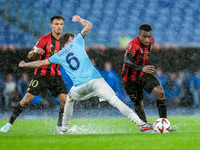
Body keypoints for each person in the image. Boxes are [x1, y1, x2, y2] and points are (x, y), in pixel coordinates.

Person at [18, 15, 153, 134]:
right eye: (73, 37)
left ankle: (64, 130)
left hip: (80, 86)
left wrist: (25, 65)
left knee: (69, 100)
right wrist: (80, 20)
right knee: (116, 102)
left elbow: (40, 63)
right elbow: (89, 25)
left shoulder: (58, 55)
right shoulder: (77, 42)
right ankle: (141, 124)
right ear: (69, 40)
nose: (76, 37)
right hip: (96, 81)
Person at [0, 15, 68, 133]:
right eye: (56, 24)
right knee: (26, 100)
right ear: (51, 25)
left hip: (56, 75)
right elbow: (29, 55)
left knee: (65, 101)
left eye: (61, 24)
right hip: (41, 75)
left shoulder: (63, 41)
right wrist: (35, 51)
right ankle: (8, 124)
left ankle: (59, 127)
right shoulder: (43, 39)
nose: (59, 26)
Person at [121, 24, 178, 131]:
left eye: (149, 37)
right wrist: (141, 68)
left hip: (142, 74)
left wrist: (143, 69)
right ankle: (144, 124)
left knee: (160, 92)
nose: (147, 39)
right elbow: (127, 60)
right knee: (138, 103)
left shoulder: (152, 42)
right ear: (139, 35)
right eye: (144, 37)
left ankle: (163, 124)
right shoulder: (133, 44)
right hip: (130, 79)